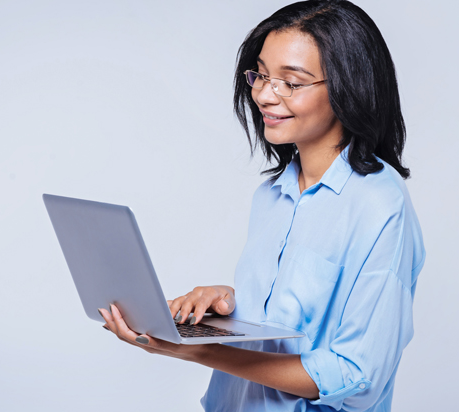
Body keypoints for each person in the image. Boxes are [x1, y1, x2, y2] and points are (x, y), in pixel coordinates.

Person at [97, 1, 425, 410]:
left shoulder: (379, 204)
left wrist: (193, 350)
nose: (265, 95)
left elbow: (355, 374)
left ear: (348, 88)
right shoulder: (272, 196)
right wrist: (225, 306)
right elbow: (294, 320)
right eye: (263, 75)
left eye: (292, 82)